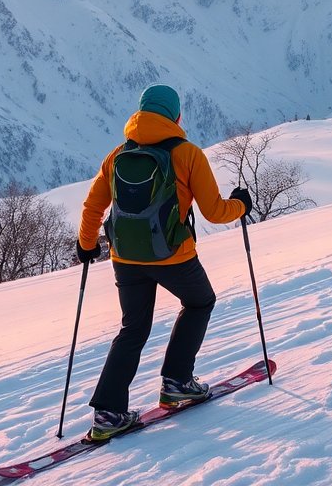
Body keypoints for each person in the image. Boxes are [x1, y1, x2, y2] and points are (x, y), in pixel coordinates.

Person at [76, 83, 252, 441]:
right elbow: (215, 212)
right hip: (173, 256)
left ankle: (108, 413)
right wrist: (241, 205)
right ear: (176, 117)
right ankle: (177, 382)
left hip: (125, 257)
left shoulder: (117, 155)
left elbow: (93, 206)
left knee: (133, 328)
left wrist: (86, 245)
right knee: (200, 302)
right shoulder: (187, 154)